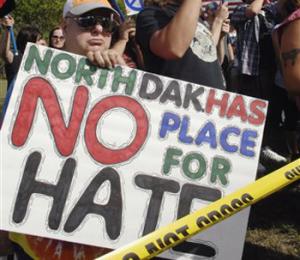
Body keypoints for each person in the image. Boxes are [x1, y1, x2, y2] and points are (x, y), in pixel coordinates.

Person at [5, 1, 126, 259]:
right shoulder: (32, 75)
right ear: (64, 26)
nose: (97, 28)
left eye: (106, 24)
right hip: (31, 242)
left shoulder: (129, 80)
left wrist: (121, 76)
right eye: (87, 20)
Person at [136, 0, 226, 90]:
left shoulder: (195, 18)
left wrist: (218, 21)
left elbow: (206, 50)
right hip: (179, 100)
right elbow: (173, 48)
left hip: (212, 99)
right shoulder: (150, 14)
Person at [0, 15, 43, 89]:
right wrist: (8, 30)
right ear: (29, 42)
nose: (42, 42)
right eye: (38, 40)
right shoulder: (16, 56)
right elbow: (4, 53)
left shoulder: (43, 60)